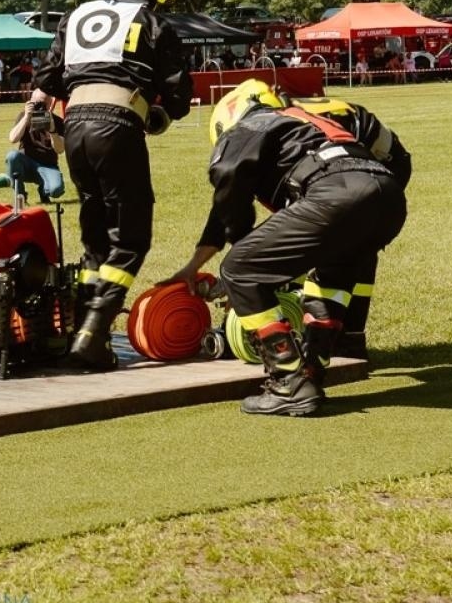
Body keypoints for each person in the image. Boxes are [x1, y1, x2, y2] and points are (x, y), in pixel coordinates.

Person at [167, 79, 407, 416]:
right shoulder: (303, 118)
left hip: (333, 193)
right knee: (331, 280)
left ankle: (288, 381)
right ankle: (311, 371)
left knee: (239, 269)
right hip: (387, 196)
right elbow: (399, 159)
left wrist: (242, 255)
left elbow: (228, 179)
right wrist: (197, 263)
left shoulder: (250, 124)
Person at [32, 0, 193, 368]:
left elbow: (47, 77)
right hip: (117, 126)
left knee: (95, 237)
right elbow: (178, 93)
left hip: (76, 130)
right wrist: (158, 112)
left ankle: (82, 329)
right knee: (131, 237)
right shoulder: (150, 20)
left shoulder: (76, 15)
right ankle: (95, 330)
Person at [277, 93, 412, 362]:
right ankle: (346, 336)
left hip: (378, 169)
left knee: (353, 247)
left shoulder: (294, 127)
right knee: (347, 247)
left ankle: (346, 336)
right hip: (367, 163)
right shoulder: (308, 117)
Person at [5, 97, 66, 204]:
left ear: (50, 103)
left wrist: (52, 130)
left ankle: (43, 191)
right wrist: (26, 117)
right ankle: (20, 196)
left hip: (48, 165)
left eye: (42, 103)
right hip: (26, 164)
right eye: (35, 102)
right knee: (12, 156)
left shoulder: (57, 121)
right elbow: (12, 139)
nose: (39, 106)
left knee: (56, 190)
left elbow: (60, 150)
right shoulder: (23, 116)